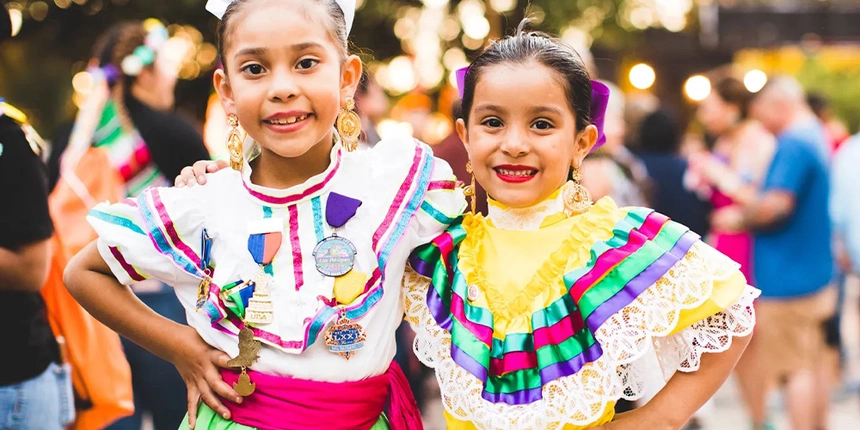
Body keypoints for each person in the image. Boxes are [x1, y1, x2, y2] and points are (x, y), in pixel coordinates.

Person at [64, 2, 465, 430]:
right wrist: (179, 344)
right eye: (255, 69)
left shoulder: (392, 185)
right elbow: (83, 272)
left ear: (347, 78)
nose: (282, 87)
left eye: (306, 62)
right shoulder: (204, 202)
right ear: (227, 90)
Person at [401, 22, 757, 429]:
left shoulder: (616, 243)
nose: (514, 144)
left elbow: (733, 312)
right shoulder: (440, 255)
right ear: (465, 135)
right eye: (493, 122)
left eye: (542, 124)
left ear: (582, 143)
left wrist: (660, 417)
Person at [48, 20, 213, 430]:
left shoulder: (76, 139)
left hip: (91, 297)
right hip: (165, 304)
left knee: (117, 416)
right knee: (181, 414)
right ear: (148, 71)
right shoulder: (172, 132)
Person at [712, 76, 835, 430]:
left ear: (779, 105)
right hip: (813, 272)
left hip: (789, 278)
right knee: (814, 366)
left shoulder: (793, 143)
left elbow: (776, 204)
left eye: (761, 111)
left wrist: (738, 218)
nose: (759, 121)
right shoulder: (813, 135)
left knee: (792, 371)